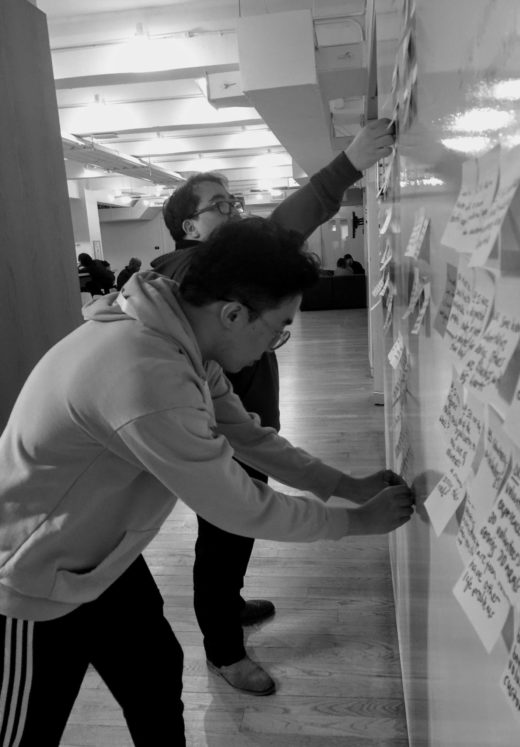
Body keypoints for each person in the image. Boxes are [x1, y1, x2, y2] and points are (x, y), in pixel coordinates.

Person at [0, 217, 414, 745]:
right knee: (27, 729)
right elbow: (240, 506)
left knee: (154, 675)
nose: (274, 346)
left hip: (102, 558)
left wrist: (347, 485)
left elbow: (250, 437)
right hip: (28, 575)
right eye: (278, 328)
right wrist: (356, 523)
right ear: (234, 313)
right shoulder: (148, 373)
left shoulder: (180, 340)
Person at [152, 118, 395, 695]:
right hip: (214, 442)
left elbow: (257, 439)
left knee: (231, 541)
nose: (233, 212)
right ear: (189, 226)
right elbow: (280, 229)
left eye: (234, 201)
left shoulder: (210, 305)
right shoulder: (185, 273)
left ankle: (228, 606)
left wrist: (347, 487)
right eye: (219, 205)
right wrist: (348, 163)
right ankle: (223, 651)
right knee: (225, 536)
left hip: (243, 430)